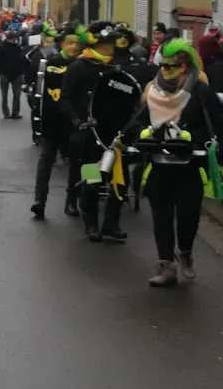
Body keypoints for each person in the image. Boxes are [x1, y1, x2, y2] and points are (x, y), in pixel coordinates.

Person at [136, 39, 223, 286]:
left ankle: (185, 251)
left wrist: (191, 137)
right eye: (163, 65)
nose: (165, 70)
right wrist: (143, 134)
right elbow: (138, 119)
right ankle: (166, 266)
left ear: (185, 67)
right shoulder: (152, 91)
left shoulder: (201, 92)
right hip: (159, 165)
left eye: (172, 66)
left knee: (187, 218)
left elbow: (215, 126)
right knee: (161, 218)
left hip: (189, 167)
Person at [60, 21, 127, 242]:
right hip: (90, 136)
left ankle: (112, 224)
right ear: (97, 44)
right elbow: (66, 98)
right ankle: (91, 223)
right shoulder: (78, 67)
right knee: (91, 180)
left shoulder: (114, 68)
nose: (111, 47)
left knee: (119, 181)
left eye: (111, 43)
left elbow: (125, 98)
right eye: (107, 43)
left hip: (114, 135)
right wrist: (77, 121)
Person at [30, 23, 81, 220]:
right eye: (69, 43)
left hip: (76, 124)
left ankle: (73, 201)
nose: (74, 47)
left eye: (77, 43)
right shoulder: (51, 64)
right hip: (52, 122)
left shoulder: (84, 66)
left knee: (79, 165)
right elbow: (41, 93)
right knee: (45, 163)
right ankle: (39, 200)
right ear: (62, 45)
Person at [0, 32, 25, 119]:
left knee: (13, 95)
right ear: (10, 39)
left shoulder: (15, 47)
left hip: (13, 74)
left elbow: (22, 59)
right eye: (14, 39)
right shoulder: (3, 47)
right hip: (7, 74)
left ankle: (12, 113)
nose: (15, 40)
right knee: (8, 95)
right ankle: (9, 113)